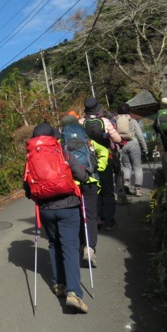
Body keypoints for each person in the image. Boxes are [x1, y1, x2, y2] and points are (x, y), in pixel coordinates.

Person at [24, 122, 90, 313]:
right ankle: (74, 293)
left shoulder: (31, 158)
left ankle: (59, 284)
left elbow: (28, 190)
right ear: (52, 138)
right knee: (70, 247)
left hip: (46, 209)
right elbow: (81, 175)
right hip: (68, 205)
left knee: (54, 244)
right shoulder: (62, 152)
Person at [60, 113, 106, 268]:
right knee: (90, 216)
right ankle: (90, 248)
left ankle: (79, 246)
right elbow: (104, 152)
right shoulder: (87, 140)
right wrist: (98, 167)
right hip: (90, 180)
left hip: (71, 184)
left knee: (76, 216)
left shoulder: (61, 142)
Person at [82, 97, 123, 231]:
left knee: (94, 189)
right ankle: (109, 220)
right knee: (108, 189)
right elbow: (117, 138)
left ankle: (97, 218)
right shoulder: (104, 121)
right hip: (105, 159)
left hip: (88, 161)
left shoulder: (81, 122)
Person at [115, 102, 148, 196]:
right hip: (133, 143)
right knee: (137, 166)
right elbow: (140, 136)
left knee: (126, 166)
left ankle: (127, 182)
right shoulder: (132, 121)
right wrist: (145, 148)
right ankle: (138, 189)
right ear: (128, 111)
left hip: (122, 144)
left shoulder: (116, 121)